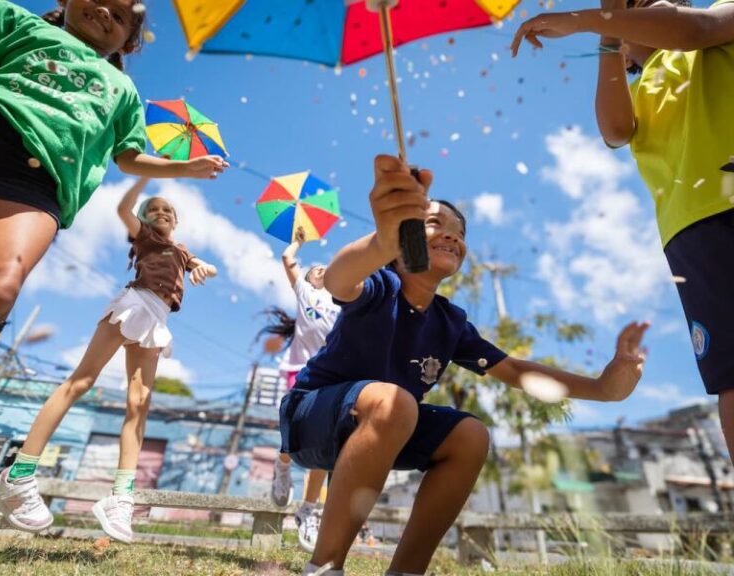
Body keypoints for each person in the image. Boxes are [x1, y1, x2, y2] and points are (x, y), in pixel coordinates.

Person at [281, 155, 650, 576]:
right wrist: (382, 242)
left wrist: (603, 388)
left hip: (384, 425)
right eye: (435, 224)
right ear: (402, 241)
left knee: (469, 435)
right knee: (394, 402)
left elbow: (514, 372)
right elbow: (339, 280)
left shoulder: (451, 323)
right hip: (311, 419)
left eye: (460, 233)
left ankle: (406, 571)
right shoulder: (381, 286)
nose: (452, 237)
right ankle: (324, 568)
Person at [512, 0, 734, 462]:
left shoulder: (713, 21)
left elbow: (693, 30)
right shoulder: (638, 84)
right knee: (731, 374)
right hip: (693, 229)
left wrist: (588, 19)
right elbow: (614, 130)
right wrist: (607, 36)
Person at [0, 0, 227, 388]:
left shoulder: (122, 89)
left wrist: (184, 168)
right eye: (99, 0)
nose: (106, 12)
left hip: (35, 177)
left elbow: (129, 156)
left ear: (128, 44)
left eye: (121, 16)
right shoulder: (13, 20)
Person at [0, 177, 218, 543]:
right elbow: (122, 210)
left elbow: (196, 263)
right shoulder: (145, 236)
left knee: (139, 403)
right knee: (81, 381)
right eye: (152, 209)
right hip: (135, 304)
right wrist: (142, 176)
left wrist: (201, 266)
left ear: (175, 220)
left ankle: (120, 497)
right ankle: (18, 473)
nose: (159, 212)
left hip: (158, 319)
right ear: (145, 218)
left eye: (166, 210)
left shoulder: (181, 248)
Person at [259, 226, 340, 552]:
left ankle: (308, 508)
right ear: (308, 279)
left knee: (324, 440)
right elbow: (286, 258)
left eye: (326, 269)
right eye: (317, 269)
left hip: (332, 375)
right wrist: (299, 242)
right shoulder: (305, 292)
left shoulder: (343, 301)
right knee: (293, 430)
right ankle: (282, 467)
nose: (322, 271)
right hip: (301, 371)